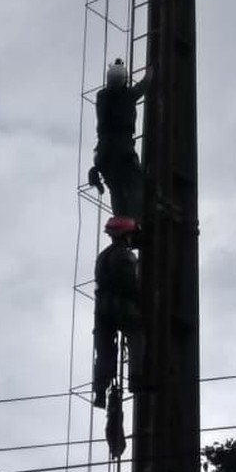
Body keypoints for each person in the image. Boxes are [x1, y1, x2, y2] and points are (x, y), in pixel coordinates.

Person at [88, 58, 151, 223]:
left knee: (115, 190)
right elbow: (144, 85)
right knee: (135, 185)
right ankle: (136, 221)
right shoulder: (128, 96)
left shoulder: (101, 97)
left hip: (103, 156)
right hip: (123, 153)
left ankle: (121, 222)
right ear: (124, 80)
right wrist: (152, 71)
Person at [92, 215, 143, 410]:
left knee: (105, 349)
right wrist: (142, 301)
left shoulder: (103, 256)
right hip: (120, 306)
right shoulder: (124, 256)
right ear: (126, 235)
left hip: (102, 309)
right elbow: (129, 284)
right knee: (136, 333)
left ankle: (100, 391)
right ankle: (136, 377)